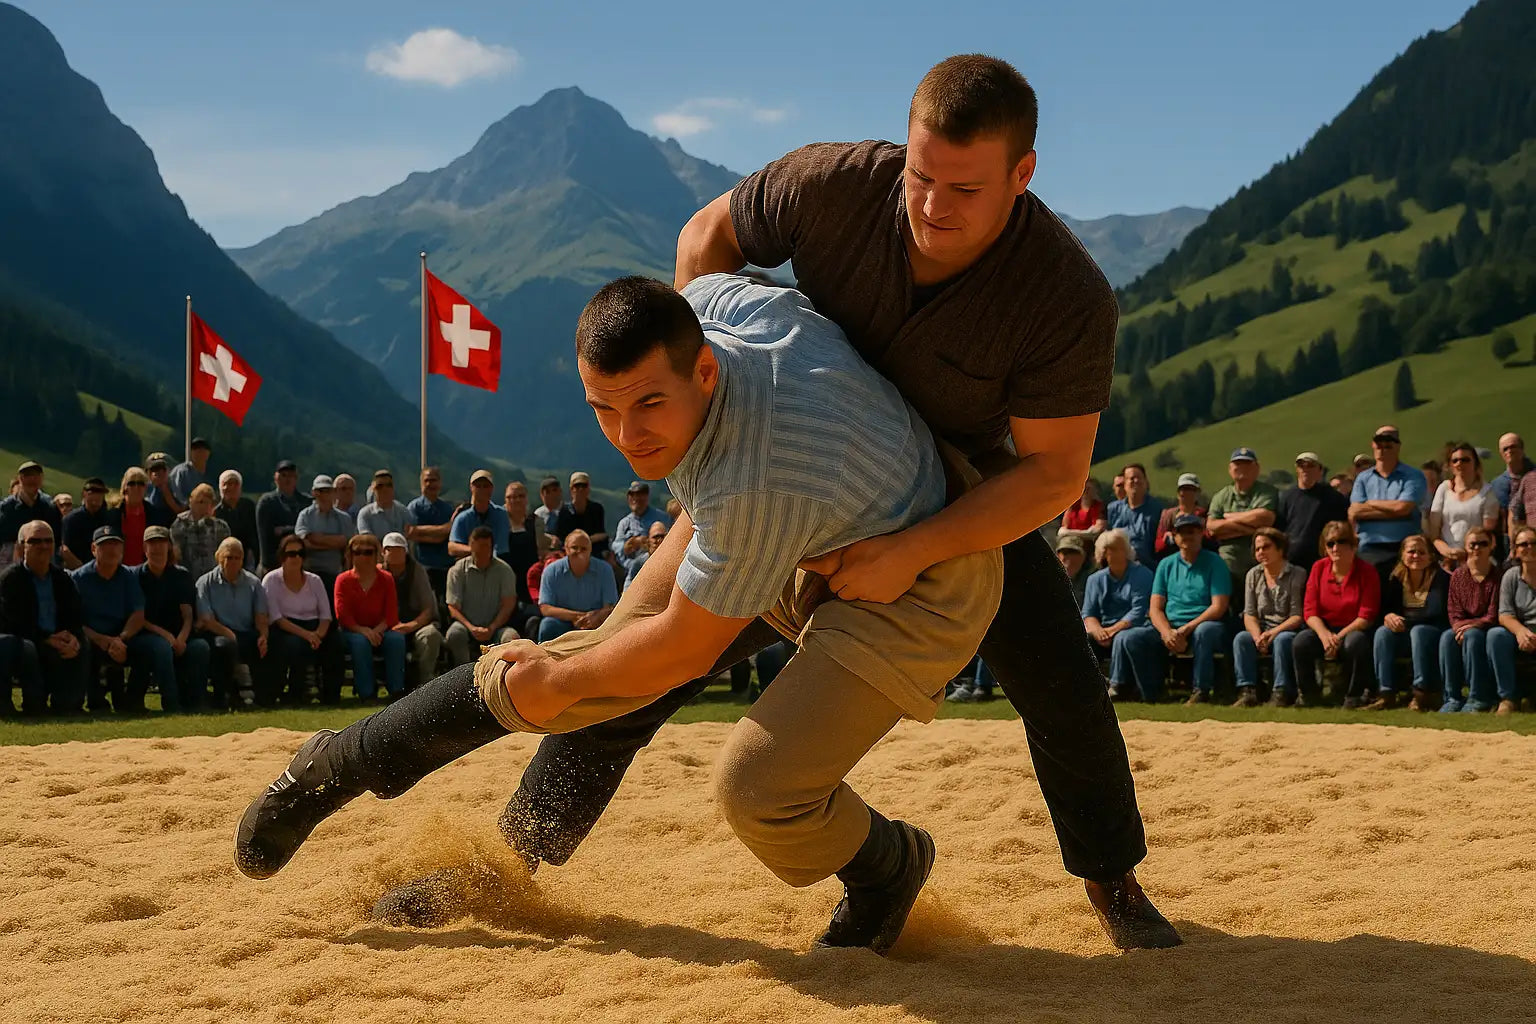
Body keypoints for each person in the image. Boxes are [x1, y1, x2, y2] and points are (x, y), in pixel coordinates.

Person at [317, 54, 1174, 947]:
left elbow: (1051, 476)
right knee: (630, 661)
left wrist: (910, 549)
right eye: (921, 176)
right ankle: (509, 863)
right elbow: (705, 237)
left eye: (963, 188)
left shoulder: (1065, 294)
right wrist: (719, 426)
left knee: (1063, 686)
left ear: (1023, 176)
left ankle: (1114, 883)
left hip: (946, 500)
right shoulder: (837, 181)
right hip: (775, 471)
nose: (930, 206)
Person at [236, 271, 1004, 957]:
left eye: (648, 405)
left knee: (757, 788)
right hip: (819, 520)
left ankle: (888, 868)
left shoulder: (759, 480)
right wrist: (574, 672)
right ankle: (346, 775)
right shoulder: (709, 306)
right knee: (592, 667)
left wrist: (562, 677)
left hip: (921, 582)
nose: (628, 436)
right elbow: (706, 235)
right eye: (603, 408)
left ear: (704, 370)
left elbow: (679, 652)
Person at [1135, 513, 1230, 705]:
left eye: (1192, 531)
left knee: (1204, 632)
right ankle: (1149, 693)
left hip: (1205, 623)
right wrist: (1167, 632)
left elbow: (1218, 607)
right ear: (1174, 537)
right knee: (1133, 637)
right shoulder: (1165, 565)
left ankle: (1201, 691)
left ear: (1201, 534)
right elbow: (1155, 608)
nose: (1187, 536)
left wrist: (1187, 629)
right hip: (1171, 625)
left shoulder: (1215, 562)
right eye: (1181, 532)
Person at [71, 524, 165, 713]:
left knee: (147, 648)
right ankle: (94, 701)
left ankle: (132, 701)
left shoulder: (128, 576)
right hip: (90, 636)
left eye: (115, 544)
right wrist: (101, 640)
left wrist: (120, 639)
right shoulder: (78, 579)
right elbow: (73, 621)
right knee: (85, 648)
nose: (111, 549)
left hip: (121, 636)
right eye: (104, 545)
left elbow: (138, 614)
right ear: (93, 549)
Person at [0, 521, 87, 714]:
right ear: (22, 546)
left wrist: (71, 636)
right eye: (35, 541)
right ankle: (33, 705)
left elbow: (74, 613)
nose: (44, 546)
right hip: (25, 640)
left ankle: (70, 704)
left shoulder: (62, 578)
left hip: (56, 638)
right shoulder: (10, 579)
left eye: (48, 541)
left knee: (82, 641)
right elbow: (12, 621)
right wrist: (46, 638)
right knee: (28, 648)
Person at [1294, 521, 1379, 707]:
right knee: (1301, 641)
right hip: (1324, 628)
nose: (1335, 547)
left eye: (1341, 542)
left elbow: (1366, 615)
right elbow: (1310, 610)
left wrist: (1337, 638)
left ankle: (1354, 695)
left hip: (1353, 629)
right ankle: (1308, 695)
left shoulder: (1367, 572)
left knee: (1356, 642)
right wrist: (1325, 636)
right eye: (1330, 543)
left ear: (1353, 545)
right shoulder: (1318, 568)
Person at [1368, 534, 1449, 711]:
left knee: (1418, 631)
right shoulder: (1394, 578)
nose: (1416, 556)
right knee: (1383, 632)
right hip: (1405, 632)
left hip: (1433, 632)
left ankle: (1421, 693)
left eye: (1421, 552)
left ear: (1430, 556)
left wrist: (1404, 620)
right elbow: (1385, 608)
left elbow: (1434, 612)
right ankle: (1386, 693)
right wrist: (1388, 616)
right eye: (1411, 551)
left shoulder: (1441, 579)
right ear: (1403, 555)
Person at [132, 525, 208, 712]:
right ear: (144, 548)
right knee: (161, 648)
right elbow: (138, 617)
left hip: (178, 634)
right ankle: (172, 704)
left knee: (200, 648)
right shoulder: (135, 576)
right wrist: (166, 636)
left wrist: (181, 637)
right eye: (152, 543)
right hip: (146, 634)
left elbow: (188, 614)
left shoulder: (181, 575)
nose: (157, 547)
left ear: (169, 546)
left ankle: (197, 702)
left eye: (161, 542)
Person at [262, 534, 343, 706]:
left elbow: (326, 616)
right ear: (282, 556)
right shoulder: (271, 580)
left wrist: (318, 635)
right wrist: (307, 636)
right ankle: (295, 694)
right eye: (291, 554)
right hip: (285, 628)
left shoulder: (315, 580)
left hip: (315, 627)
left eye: (300, 553)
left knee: (335, 643)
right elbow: (276, 617)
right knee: (295, 645)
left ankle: (331, 696)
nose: (296, 557)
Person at [1232, 527, 1305, 707]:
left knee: (1283, 640)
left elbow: (1297, 615)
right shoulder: (1253, 575)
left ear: (1280, 549)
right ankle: (1247, 690)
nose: (1261, 552)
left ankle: (1281, 691)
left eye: (1266, 547)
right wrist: (1257, 636)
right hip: (1262, 629)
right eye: (1257, 549)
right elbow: (1249, 613)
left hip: (1287, 628)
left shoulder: (1297, 574)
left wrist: (1273, 633)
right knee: (1242, 638)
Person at [1080, 529, 1154, 702]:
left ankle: (1117, 686)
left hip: (1135, 626)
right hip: (1103, 629)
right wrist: (1098, 630)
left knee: (1123, 638)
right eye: (1107, 549)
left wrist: (1112, 630)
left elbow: (1138, 610)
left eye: (1116, 548)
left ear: (1127, 551)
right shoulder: (1095, 579)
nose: (1111, 553)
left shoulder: (1142, 574)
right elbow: (1088, 613)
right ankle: (1084, 686)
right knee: (1082, 639)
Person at [1349, 425, 1428, 586]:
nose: (1382, 449)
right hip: (1369, 548)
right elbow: (1355, 511)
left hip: (1403, 547)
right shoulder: (1363, 478)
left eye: (1388, 445)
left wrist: (1371, 504)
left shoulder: (1413, 476)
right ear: (1372, 445)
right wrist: (1394, 510)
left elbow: (1403, 508)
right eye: (1379, 444)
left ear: (1398, 446)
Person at [196, 538, 271, 708]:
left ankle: (264, 697)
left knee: (266, 644)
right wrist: (230, 634)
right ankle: (225, 697)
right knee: (225, 646)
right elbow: (206, 619)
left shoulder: (253, 583)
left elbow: (261, 616)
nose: (233, 562)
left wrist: (263, 636)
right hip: (217, 633)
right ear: (218, 558)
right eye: (229, 557)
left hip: (245, 631)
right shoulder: (205, 583)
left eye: (238, 558)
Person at [1441, 527, 1505, 713]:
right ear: (1466, 547)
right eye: (1473, 544)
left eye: (1482, 544)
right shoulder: (1458, 576)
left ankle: (1478, 697)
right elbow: (1454, 611)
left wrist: (1470, 627)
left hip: (1486, 628)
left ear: (1491, 546)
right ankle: (1452, 697)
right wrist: (1461, 627)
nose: (1477, 548)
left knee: (1473, 637)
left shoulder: (1498, 576)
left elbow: (1493, 614)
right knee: (1446, 638)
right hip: (1463, 627)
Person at [334, 533, 405, 701]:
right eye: (357, 552)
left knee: (396, 640)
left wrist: (376, 631)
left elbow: (391, 614)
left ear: (376, 554)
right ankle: (366, 693)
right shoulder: (343, 580)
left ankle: (396, 692)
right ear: (350, 555)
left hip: (381, 629)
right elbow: (342, 615)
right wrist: (364, 631)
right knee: (360, 643)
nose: (362, 557)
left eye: (368, 552)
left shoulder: (386, 579)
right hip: (353, 630)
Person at [1206, 447, 1279, 601]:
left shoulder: (1267, 492)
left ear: (1257, 468)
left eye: (1247, 464)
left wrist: (1228, 519)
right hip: (1229, 560)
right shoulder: (1222, 495)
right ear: (1230, 469)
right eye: (1237, 464)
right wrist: (1251, 528)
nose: (1242, 468)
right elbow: (1212, 527)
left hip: (1260, 557)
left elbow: (1266, 519)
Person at [444, 526, 521, 667]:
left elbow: (508, 604)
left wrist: (492, 627)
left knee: (512, 637)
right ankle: (462, 673)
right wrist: (471, 627)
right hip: (466, 626)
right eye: (479, 546)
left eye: (487, 546)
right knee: (454, 634)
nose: (483, 551)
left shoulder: (504, 571)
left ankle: (503, 678)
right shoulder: (457, 571)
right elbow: (453, 607)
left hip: (496, 627)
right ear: (470, 544)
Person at [383, 531, 444, 687]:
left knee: (430, 635)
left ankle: (425, 684)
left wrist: (411, 625)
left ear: (406, 551)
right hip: (386, 625)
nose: (395, 553)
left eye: (399, 549)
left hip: (418, 623)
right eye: (390, 549)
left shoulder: (417, 571)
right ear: (383, 552)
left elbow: (428, 609)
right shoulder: (378, 573)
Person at [1486, 525, 1536, 715]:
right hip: (1522, 631)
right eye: (1523, 544)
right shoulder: (1510, 576)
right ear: (1515, 550)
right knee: (1495, 635)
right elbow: (1504, 614)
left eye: (1533, 543)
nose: (1529, 547)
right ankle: (1508, 698)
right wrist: (1521, 632)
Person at [535, 529, 616, 642]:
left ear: (590, 550)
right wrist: (577, 616)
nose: (579, 552)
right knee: (547, 626)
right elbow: (546, 608)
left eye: (584, 549)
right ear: (566, 550)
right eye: (574, 548)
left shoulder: (605, 570)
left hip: (596, 621)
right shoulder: (551, 571)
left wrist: (596, 617)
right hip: (564, 621)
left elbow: (610, 607)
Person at [1428, 442, 1499, 572]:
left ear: (1475, 463)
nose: (1459, 463)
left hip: (1476, 557)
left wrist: (1466, 553)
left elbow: (1487, 532)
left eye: (1465, 460)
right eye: (1455, 460)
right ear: (1450, 465)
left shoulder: (1487, 493)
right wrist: (1448, 552)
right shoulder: (1443, 489)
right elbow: (1434, 532)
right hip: (1444, 558)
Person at [1277, 452, 1348, 571]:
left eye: (1310, 466)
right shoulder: (1286, 496)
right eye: (1301, 466)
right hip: (1291, 562)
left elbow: (1341, 528)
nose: (1305, 469)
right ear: (1296, 469)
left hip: (1322, 562)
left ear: (1320, 470)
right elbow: (1279, 528)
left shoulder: (1333, 497)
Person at [294, 475, 355, 597]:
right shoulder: (305, 516)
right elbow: (304, 543)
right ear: (313, 493)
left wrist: (316, 539)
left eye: (327, 491)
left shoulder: (343, 518)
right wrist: (333, 543)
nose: (324, 495)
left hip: (335, 573)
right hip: (309, 572)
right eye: (320, 491)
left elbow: (346, 543)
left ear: (333, 492)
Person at [0, 460, 62, 571]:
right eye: (27, 475)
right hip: (11, 557)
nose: (32, 479)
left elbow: (57, 538)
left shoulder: (49, 507)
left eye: (35, 476)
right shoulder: (6, 508)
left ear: (41, 479)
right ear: (20, 479)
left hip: (44, 554)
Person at [255, 460, 309, 573]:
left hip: (301, 565)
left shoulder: (306, 502)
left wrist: (284, 529)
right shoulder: (267, 502)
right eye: (283, 475)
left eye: (291, 476)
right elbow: (265, 537)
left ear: (296, 478)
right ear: (275, 478)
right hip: (272, 566)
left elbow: (310, 533)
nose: (287, 479)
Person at [501, 480, 546, 610]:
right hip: (506, 578)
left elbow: (541, 548)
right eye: (511, 497)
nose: (516, 500)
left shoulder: (536, 522)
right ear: (505, 500)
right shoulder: (499, 522)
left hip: (529, 580)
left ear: (526, 499)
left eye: (520, 496)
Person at [1106, 464, 1163, 567]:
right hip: (1117, 564)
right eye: (1131, 478)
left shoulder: (1157, 509)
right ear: (1124, 484)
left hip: (1146, 566)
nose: (1136, 481)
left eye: (1139, 478)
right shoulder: (1113, 509)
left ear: (1146, 482)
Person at [171, 484, 231, 580]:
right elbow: (176, 555)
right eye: (201, 502)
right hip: (187, 577)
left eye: (209, 503)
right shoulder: (180, 524)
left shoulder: (221, 527)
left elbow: (225, 555)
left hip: (213, 579)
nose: (205, 506)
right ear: (191, 502)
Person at [448, 470, 511, 560]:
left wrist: (476, 551)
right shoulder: (462, 518)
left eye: (485, 486)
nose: (482, 490)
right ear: (471, 488)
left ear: (492, 488)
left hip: (495, 564)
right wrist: (476, 550)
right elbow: (452, 548)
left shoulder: (501, 515)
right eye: (478, 486)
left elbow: (501, 547)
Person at [613, 481, 671, 575]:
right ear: (628, 498)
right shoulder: (624, 523)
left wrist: (645, 541)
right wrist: (625, 547)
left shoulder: (663, 518)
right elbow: (616, 545)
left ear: (647, 497)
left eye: (640, 494)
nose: (635, 498)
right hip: (630, 571)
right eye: (632, 494)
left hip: (658, 568)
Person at [60, 477, 112, 570]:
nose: (96, 496)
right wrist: (82, 569)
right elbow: (64, 549)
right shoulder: (72, 519)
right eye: (92, 492)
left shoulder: (109, 519)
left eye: (100, 493)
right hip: (76, 571)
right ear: (84, 494)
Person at [1153, 473, 1207, 561]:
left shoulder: (1204, 515)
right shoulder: (1168, 515)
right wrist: (1165, 539)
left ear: (1197, 493)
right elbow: (1157, 546)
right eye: (1182, 489)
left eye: (1189, 489)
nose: (1184, 493)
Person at [555, 471, 610, 558]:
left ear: (588, 489)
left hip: (594, 552)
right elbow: (560, 537)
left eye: (584, 486)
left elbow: (602, 535)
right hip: (570, 552)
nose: (580, 489)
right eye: (577, 486)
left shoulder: (597, 509)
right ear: (571, 489)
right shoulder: (564, 511)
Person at [215, 470, 261, 573]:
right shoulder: (216, 513)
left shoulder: (249, 507)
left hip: (249, 559)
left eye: (235, 484)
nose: (231, 487)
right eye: (226, 484)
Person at [1491, 433, 1531, 550]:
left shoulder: (1533, 478)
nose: (1509, 451)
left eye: (1513, 446)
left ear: (1522, 449)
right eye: (1505, 449)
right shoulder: (1497, 485)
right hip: (1505, 546)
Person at [357, 470, 413, 540]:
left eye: (389, 485)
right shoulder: (365, 514)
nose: (385, 489)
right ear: (373, 490)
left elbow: (408, 536)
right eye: (380, 486)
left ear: (393, 488)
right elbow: (367, 540)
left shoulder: (403, 512)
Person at [1056, 479, 1105, 546]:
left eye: (1089, 489)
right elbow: (1062, 531)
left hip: (1089, 543)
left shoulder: (1099, 507)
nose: (1086, 492)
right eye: (1084, 489)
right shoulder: (1072, 507)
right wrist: (1085, 533)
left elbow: (1095, 532)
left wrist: (1069, 533)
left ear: (1095, 490)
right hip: (1070, 541)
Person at [624, 520, 669, 592]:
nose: (659, 540)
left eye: (662, 536)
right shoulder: (639, 564)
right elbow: (627, 589)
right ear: (648, 540)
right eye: (656, 537)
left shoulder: (673, 562)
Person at [169, 438, 213, 506]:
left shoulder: (213, 473)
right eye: (195, 448)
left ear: (208, 453)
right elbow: (177, 494)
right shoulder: (181, 472)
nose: (198, 451)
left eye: (202, 449)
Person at [1055, 534, 1092, 606]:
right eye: (1064, 552)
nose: (1066, 558)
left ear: (1083, 556)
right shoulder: (1050, 580)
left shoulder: (1091, 580)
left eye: (1072, 552)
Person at [144, 453, 186, 517]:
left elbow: (184, 514)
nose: (157, 474)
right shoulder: (144, 488)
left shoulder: (178, 488)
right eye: (154, 470)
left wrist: (168, 495)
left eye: (162, 469)